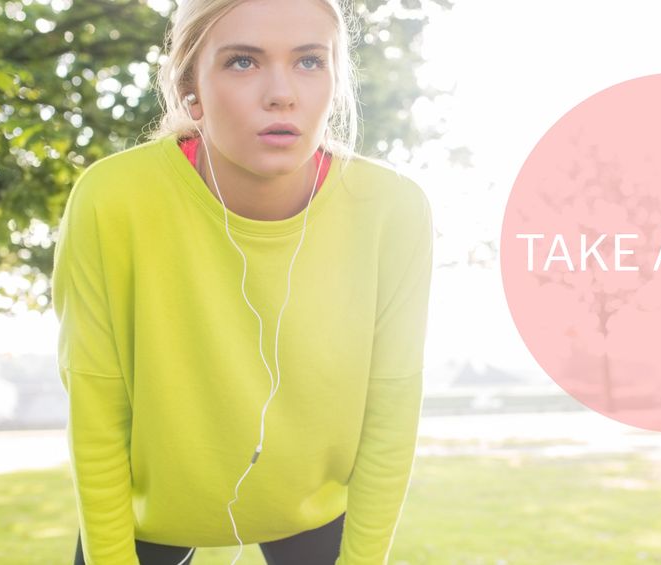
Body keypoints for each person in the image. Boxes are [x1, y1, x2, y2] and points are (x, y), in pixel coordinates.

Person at [52, 0, 435, 564]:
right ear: (191, 89)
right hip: (149, 517)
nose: (282, 93)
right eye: (242, 62)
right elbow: (97, 405)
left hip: (316, 511)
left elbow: (391, 413)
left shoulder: (393, 209)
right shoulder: (112, 199)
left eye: (309, 61)